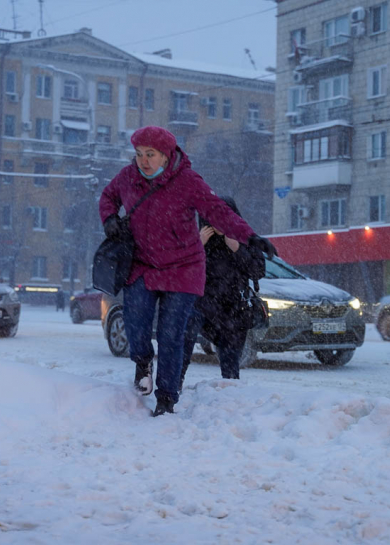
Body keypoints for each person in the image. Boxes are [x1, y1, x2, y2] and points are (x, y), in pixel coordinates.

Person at [98, 126, 277, 417]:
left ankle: (166, 399)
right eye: (139, 154)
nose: (143, 161)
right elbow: (108, 197)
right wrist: (109, 220)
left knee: (172, 335)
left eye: (150, 155)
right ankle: (143, 361)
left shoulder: (188, 181)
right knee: (136, 322)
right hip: (143, 263)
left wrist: (250, 237)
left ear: (166, 156)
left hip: (183, 268)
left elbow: (219, 211)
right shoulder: (128, 177)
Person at [180, 197, 265, 387]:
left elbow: (258, 270)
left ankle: (230, 392)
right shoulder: (196, 238)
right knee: (183, 343)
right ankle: (174, 386)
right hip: (201, 304)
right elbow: (179, 269)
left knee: (230, 358)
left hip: (233, 308)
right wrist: (197, 245)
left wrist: (236, 248)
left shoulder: (245, 238)